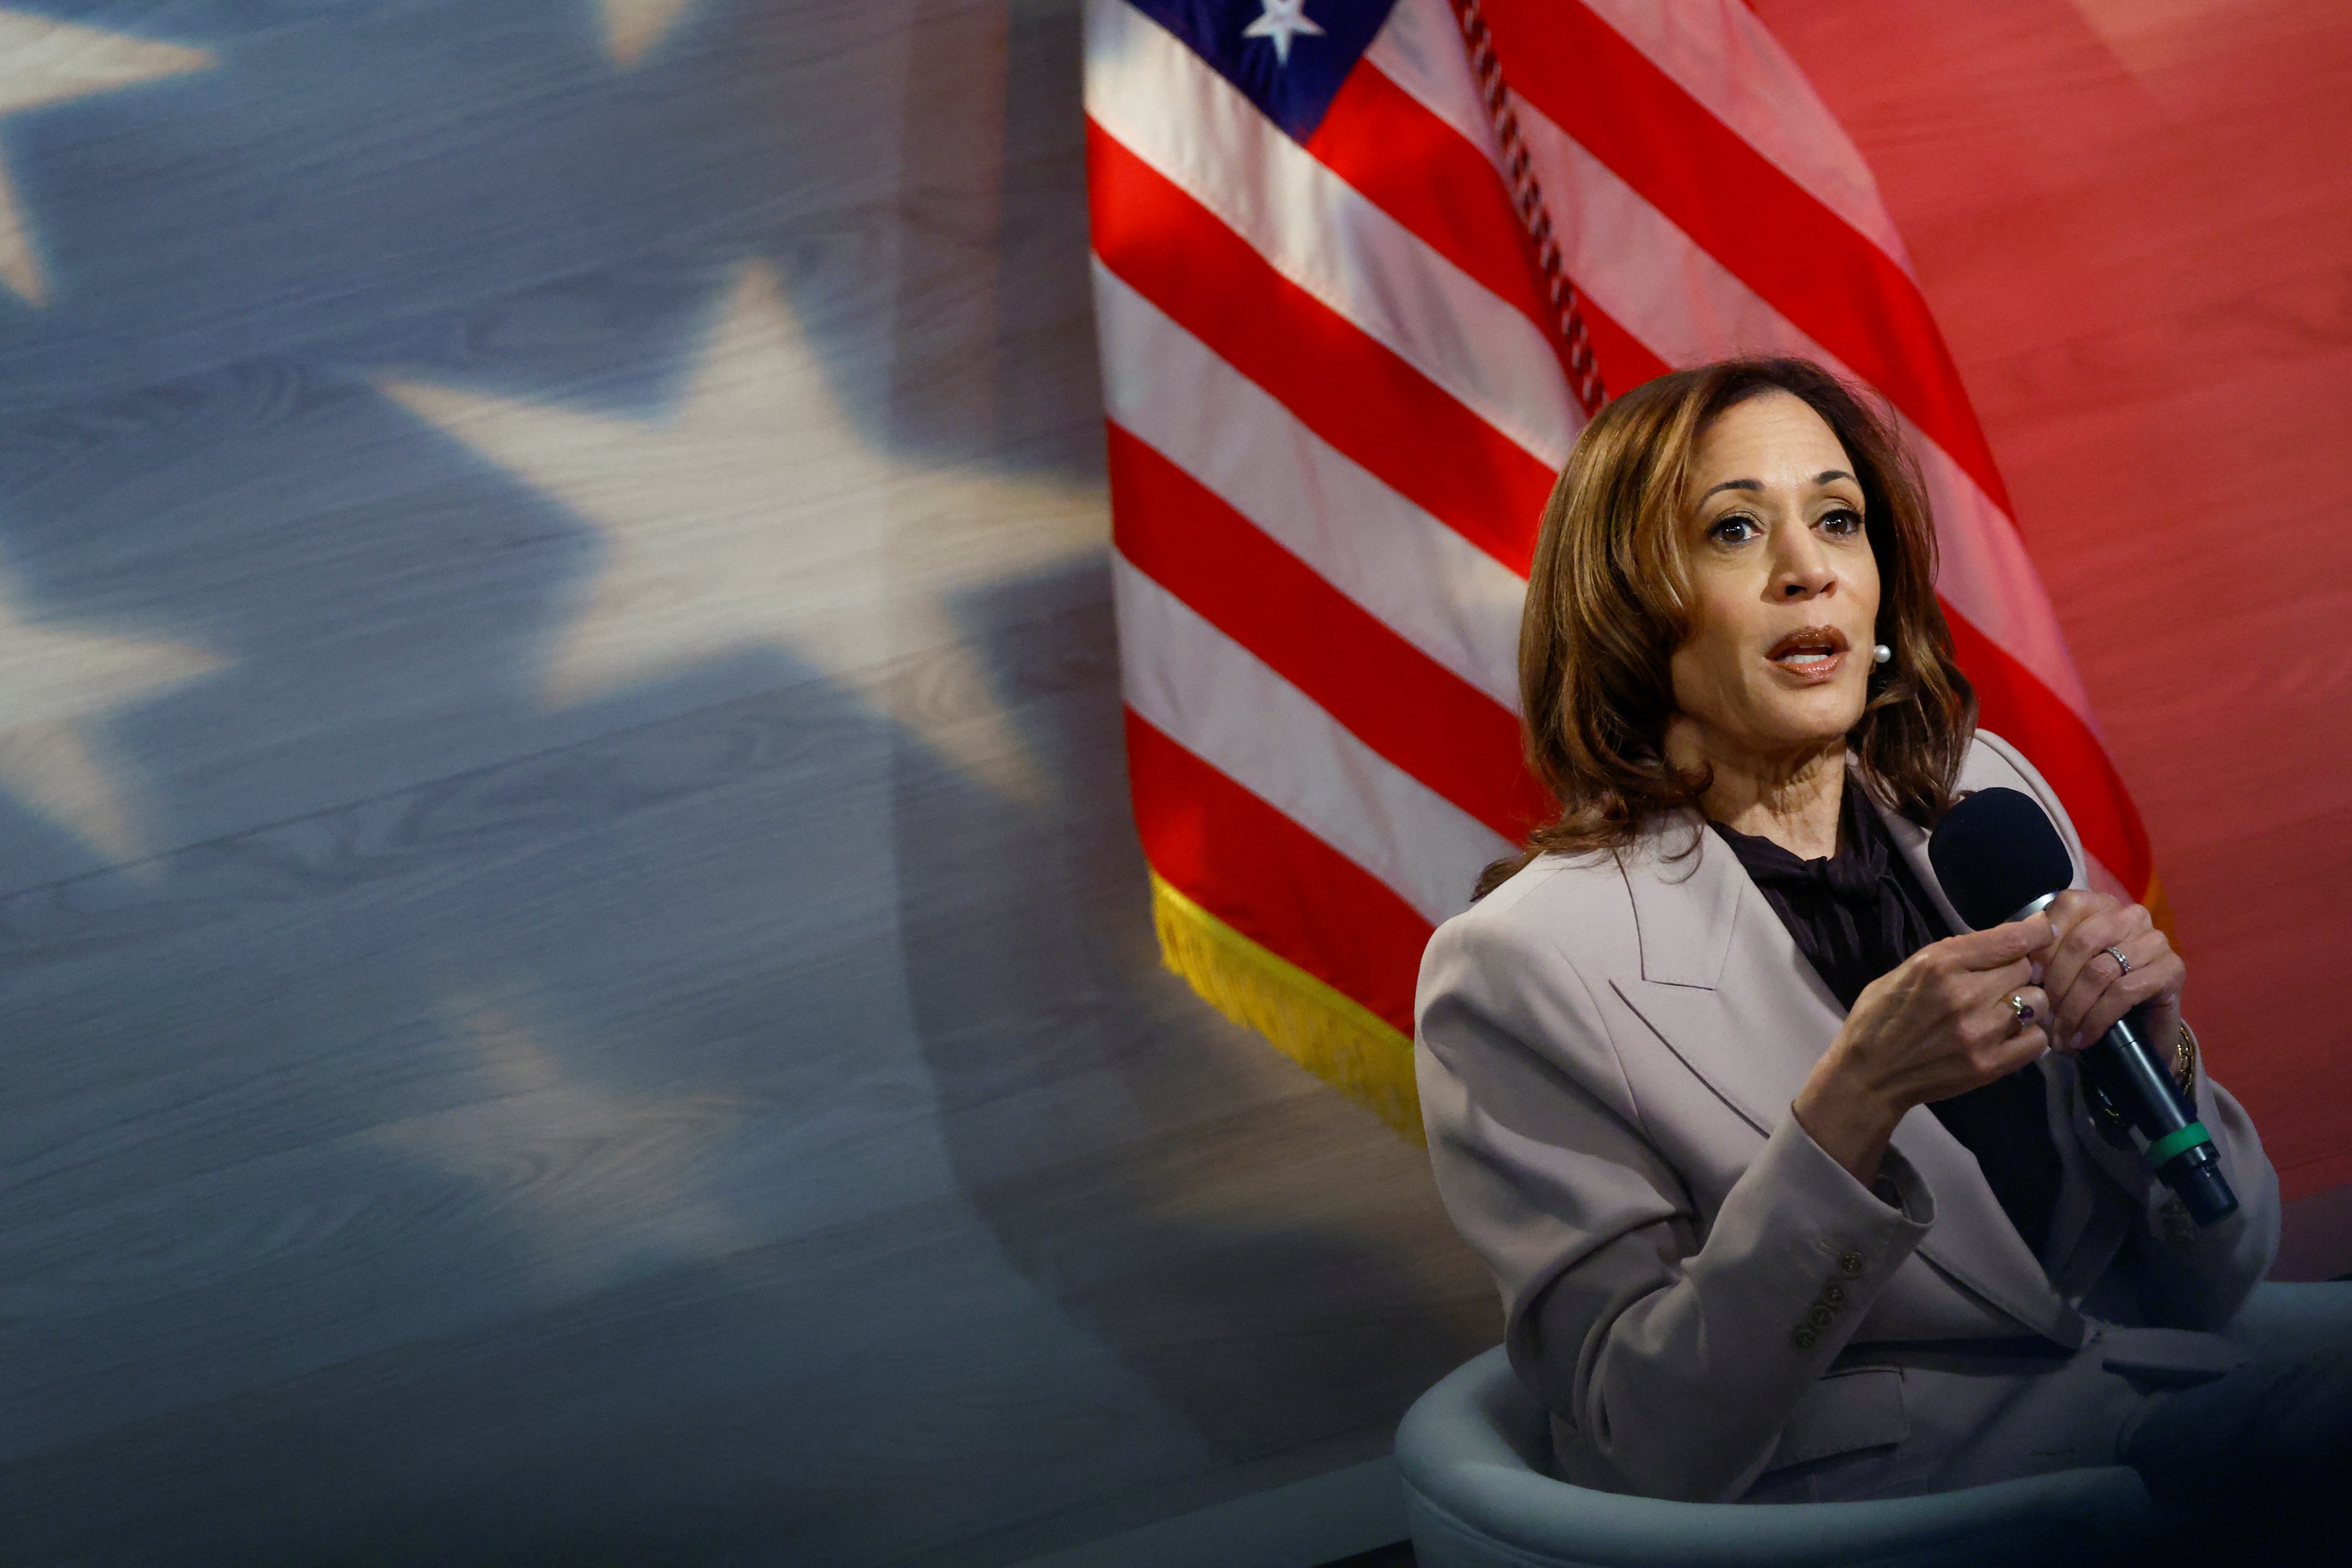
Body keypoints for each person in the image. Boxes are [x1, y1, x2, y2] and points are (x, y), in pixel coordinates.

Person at [1413, 357, 2350, 1557]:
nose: (1808, 568)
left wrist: (2150, 1068)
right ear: (1630, 615)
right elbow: (1643, 1438)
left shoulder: (1986, 798)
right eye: (1735, 528)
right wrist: (1851, 1109)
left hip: (2160, 1403)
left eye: (1839, 519)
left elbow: (2216, 1278)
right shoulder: (1521, 968)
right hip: (1910, 1511)